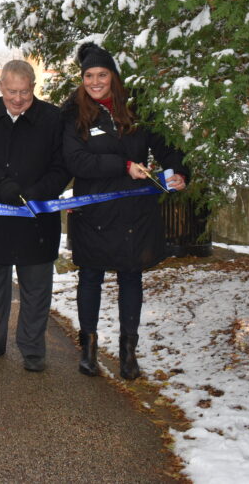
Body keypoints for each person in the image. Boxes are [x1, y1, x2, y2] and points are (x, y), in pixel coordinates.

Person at [60, 42, 188, 380]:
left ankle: (128, 352)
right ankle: (87, 349)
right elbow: (76, 160)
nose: (95, 81)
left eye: (102, 74)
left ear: (114, 76)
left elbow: (167, 144)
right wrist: (124, 165)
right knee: (91, 277)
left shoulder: (137, 107)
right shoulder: (73, 113)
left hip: (134, 211)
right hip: (95, 212)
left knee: (131, 277)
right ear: (82, 78)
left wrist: (178, 172)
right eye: (89, 75)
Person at [0, 60, 71, 372]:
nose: (18, 99)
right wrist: (0, 183)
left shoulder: (52, 118)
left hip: (36, 215)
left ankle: (33, 350)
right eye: (11, 93)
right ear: (1, 88)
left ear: (33, 88)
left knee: (36, 288)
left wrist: (37, 192)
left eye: (24, 92)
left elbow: (62, 165)